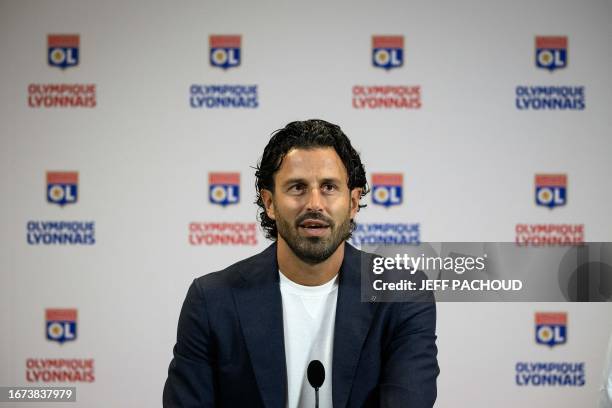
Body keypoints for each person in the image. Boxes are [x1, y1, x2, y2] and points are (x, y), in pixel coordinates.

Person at [163, 119, 439, 407]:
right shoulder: (212, 300)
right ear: (269, 203)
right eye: (297, 187)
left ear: (354, 202)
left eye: (329, 187)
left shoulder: (402, 294)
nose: (314, 204)